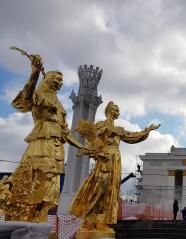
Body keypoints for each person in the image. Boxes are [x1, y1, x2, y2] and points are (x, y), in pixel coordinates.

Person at [0, 54, 85, 222]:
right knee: (35, 178)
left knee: (50, 183)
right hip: (42, 142)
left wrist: (84, 147)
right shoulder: (39, 94)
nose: (60, 83)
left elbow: (65, 131)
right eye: (57, 79)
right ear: (48, 79)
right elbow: (22, 103)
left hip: (56, 147)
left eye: (61, 81)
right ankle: (24, 214)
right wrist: (34, 74)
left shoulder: (58, 102)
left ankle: (39, 217)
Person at [69, 101, 160, 232]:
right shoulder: (101, 125)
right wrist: (98, 151)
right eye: (115, 110)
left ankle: (103, 220)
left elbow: (132, 137)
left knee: (111, 191)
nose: (118, 112)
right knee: (100, 186)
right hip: (105, 158)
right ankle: (89, 218)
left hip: (116, 160)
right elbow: (91, 138)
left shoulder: (118, 130)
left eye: (118, 110)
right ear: (109, 111)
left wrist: (147, 130)